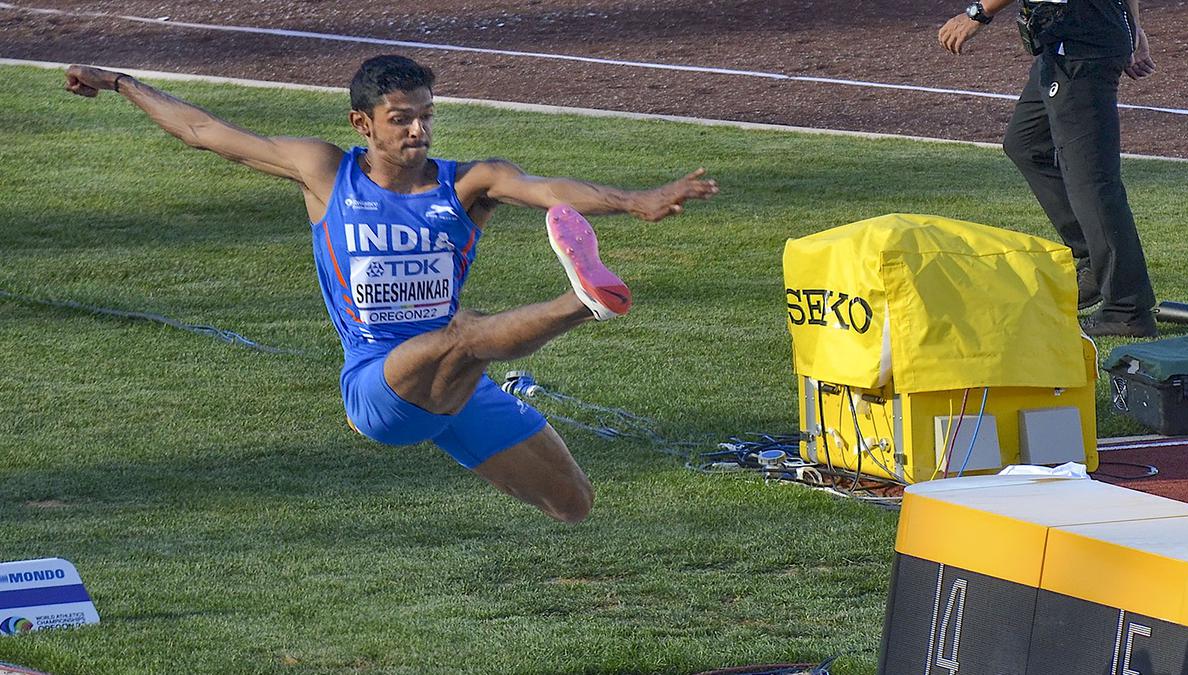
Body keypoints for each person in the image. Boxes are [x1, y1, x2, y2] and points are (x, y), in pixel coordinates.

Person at [64, 55, 718, 523]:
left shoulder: (468, 183)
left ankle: (546, 328)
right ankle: (583, 299)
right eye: (402, 118)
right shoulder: (324, 172)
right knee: (464, 334)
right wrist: (121, 81)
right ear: (363, 123)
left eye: (427, 117)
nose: (418, 131)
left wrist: (638, 201)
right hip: (377, 382)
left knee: (572, 503)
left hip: (456, 388)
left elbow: (548, 192)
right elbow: (205, 133)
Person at [938, 0, 1158, 337]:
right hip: (1065, 47)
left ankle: (1128, 309)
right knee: (1026, 143)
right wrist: (1133, 28)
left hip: (1080, 51)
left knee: (1093, 183)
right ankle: (1093, 263)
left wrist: (979, 13)